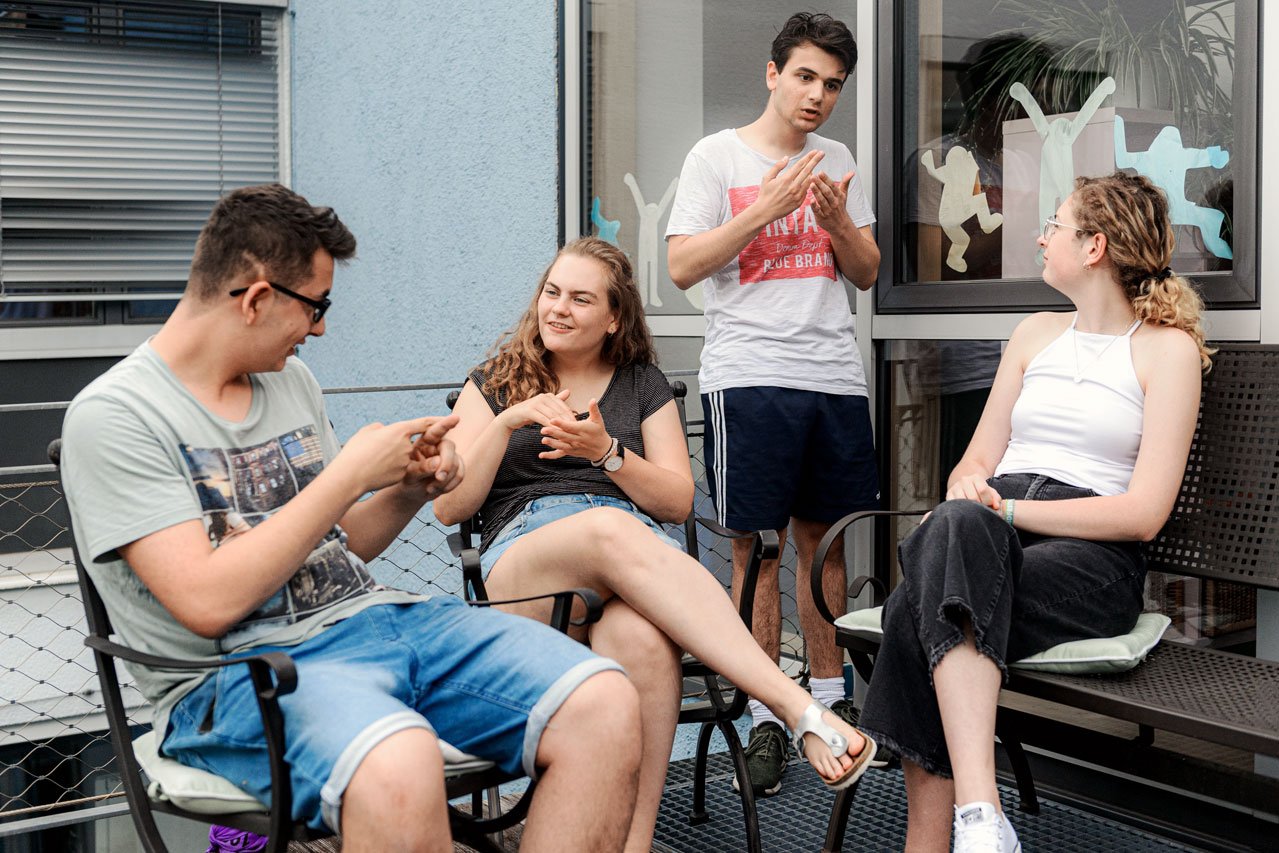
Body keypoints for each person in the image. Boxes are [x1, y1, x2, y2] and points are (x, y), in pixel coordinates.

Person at [60, 185, 646, 853]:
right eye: (315, 306)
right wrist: (347, 475)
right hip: (245, 676)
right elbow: (206, 600)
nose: (320, 329)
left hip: (379, 622)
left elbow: (340, 549)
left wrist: (406, 489)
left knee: (603, 699)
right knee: (397, 764)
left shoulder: (291, 383)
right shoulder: (116, 417)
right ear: (256, 298)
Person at [435, 236, 878, 853]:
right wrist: (510, 421)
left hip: (627, 565)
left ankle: (635, 845)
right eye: (552, 292)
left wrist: (607, 455)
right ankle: (795, 705)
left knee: (642, 642)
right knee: (606, 527)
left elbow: (674, 501)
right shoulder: (496, 380)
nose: (558, 308)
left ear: (614, 317)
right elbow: (449, 506)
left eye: (580, 299)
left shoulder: (641, 384)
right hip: (529, 563)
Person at [858, 172, 1212, 853]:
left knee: (916, 606)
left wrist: (1009, 511)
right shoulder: (1032, 334)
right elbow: (972, 462)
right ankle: (981, 820)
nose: (1039, 235)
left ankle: (942, 833)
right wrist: (972, 491)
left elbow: (1142, 514)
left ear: (1094, 247)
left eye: (1054, 223)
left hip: (1092, 556)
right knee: (954, 536)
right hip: (992, 528)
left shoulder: (1165, 350)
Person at [664, 11, 881, 795]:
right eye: (805, 76)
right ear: (771, 73)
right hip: (749, 374)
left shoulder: (840, 158)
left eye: (831, 84)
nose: (817, 95)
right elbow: (682, 266)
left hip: (831, 374)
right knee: (754, 551)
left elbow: (863, 270)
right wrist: (766, 207)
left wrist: (831, 220)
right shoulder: (715, 156)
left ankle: (830, 706)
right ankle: (766, 718)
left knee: (825, 547)